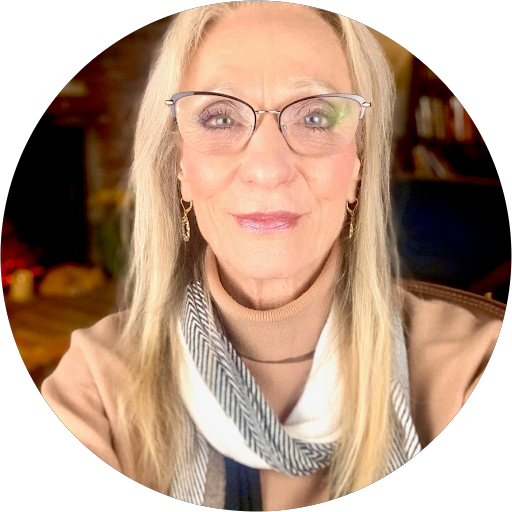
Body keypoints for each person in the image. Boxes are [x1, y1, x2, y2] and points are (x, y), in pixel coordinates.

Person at [41, 2, 504, 509]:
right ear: (180, 166)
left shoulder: (465, 370)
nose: (267, 168)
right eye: (219, 117)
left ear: (358, 164)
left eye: (315, 117)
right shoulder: (99, 384)